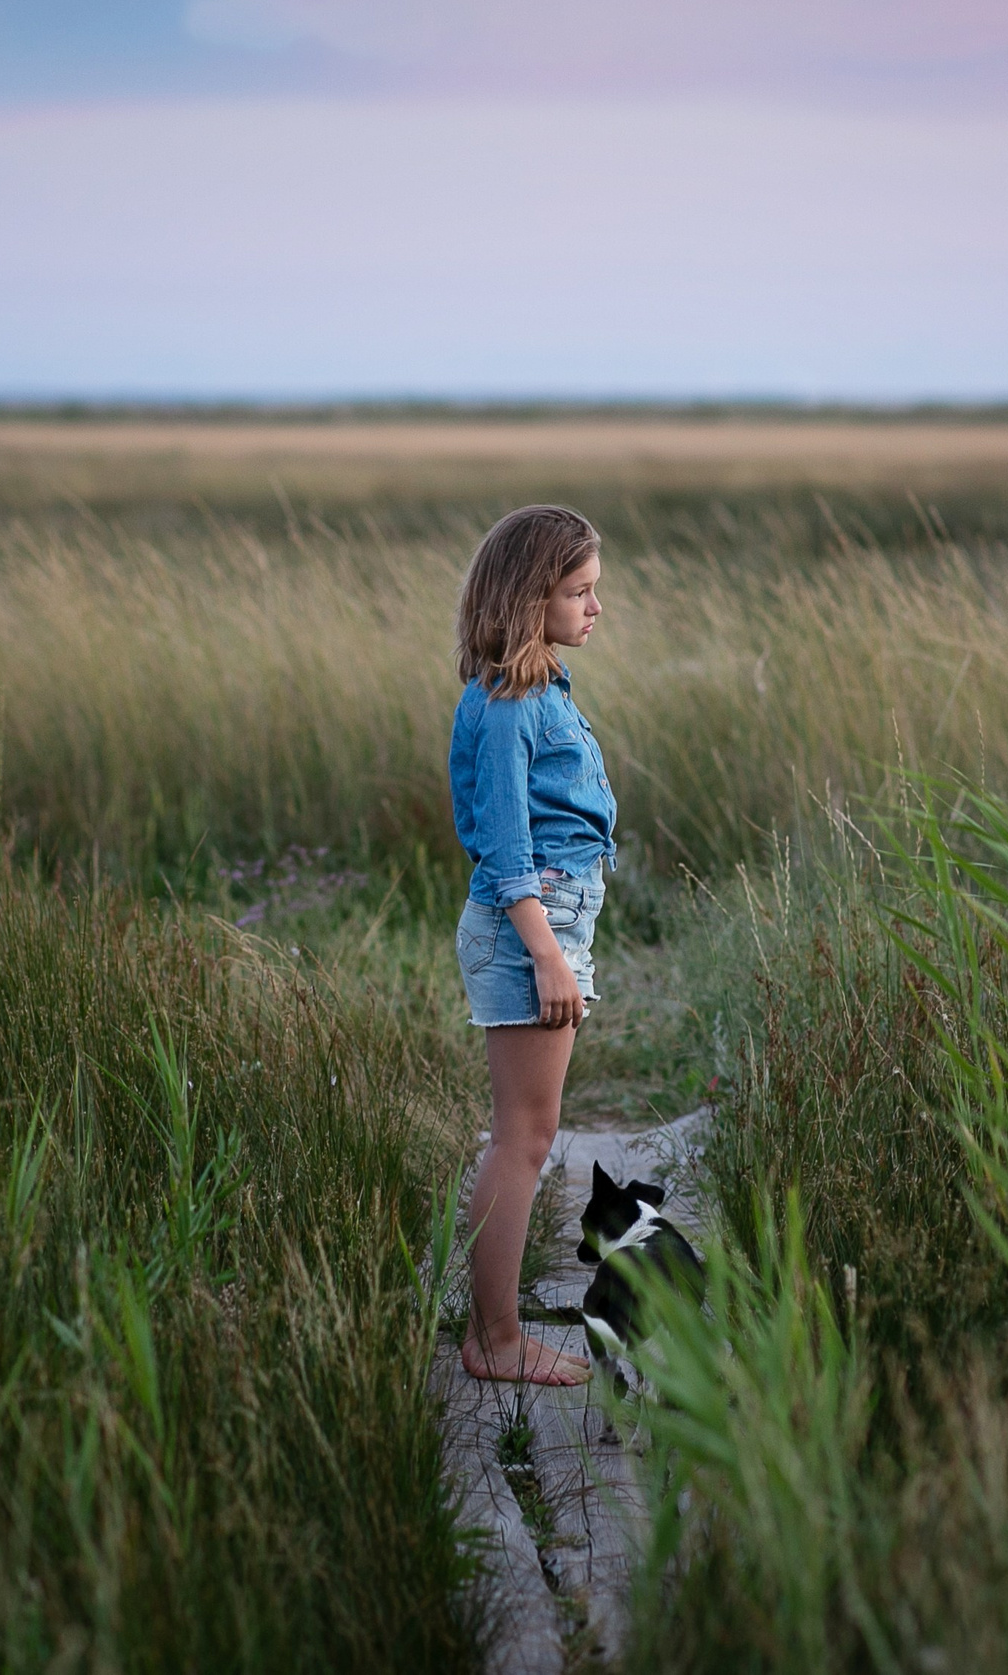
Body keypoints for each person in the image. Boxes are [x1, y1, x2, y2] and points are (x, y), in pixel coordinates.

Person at [447, 505, 615, 1385]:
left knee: (529, 1131)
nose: (596, 608)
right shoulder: (513, 702)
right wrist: (547, 951)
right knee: (522, 1136)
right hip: (532, 924)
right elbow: (504, 844)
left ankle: (494, 1327)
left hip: (548, 918)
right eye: (579, 591)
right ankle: (497, 1340)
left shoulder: (538, 688)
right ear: (529, 595)